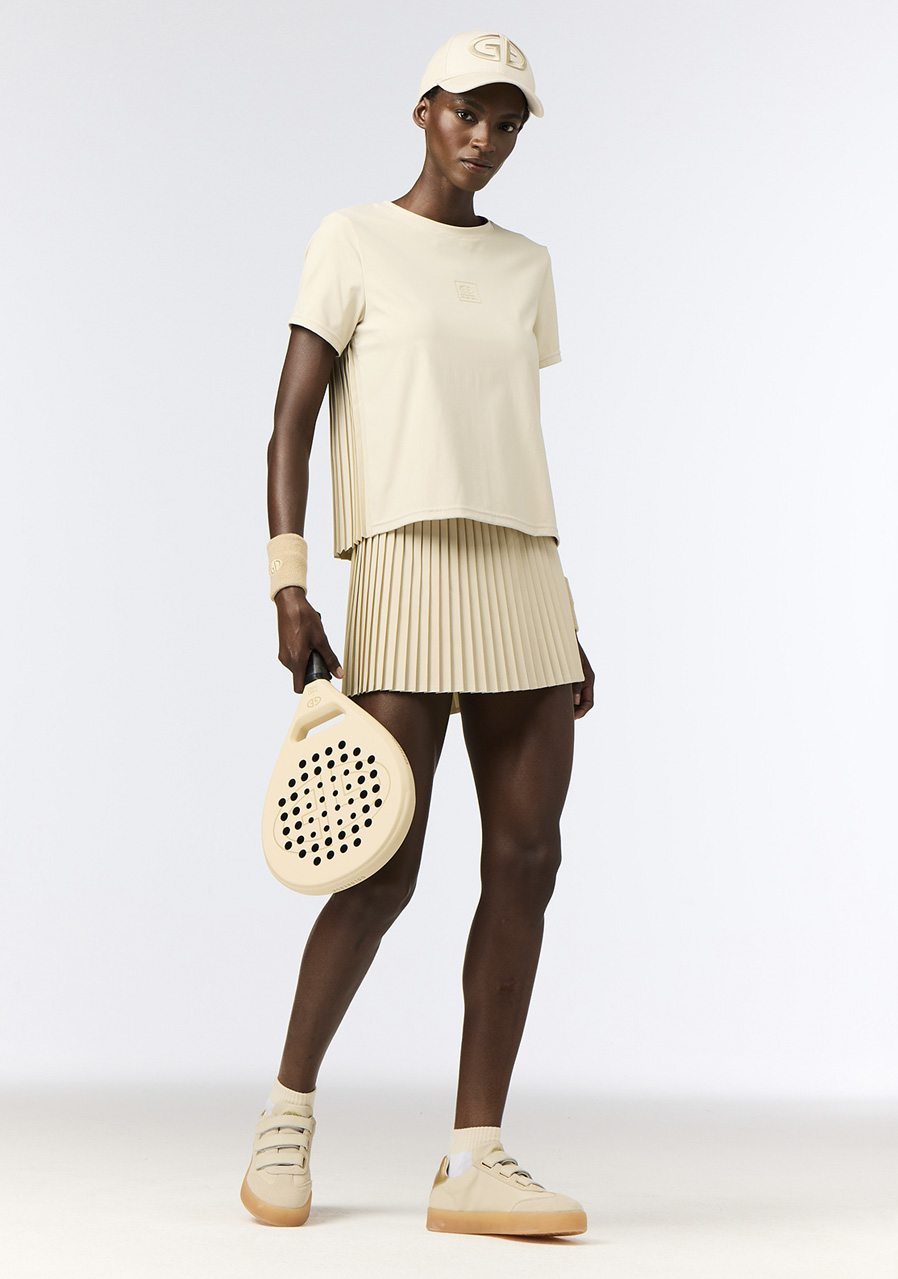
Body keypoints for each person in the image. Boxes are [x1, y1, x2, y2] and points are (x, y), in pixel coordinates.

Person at [240, 29, 595, 1238]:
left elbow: (510, 442)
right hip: (402, 562)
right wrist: (291, 586)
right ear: (423, 111)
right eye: (466, 113)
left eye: (507, 122)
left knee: (527, 859)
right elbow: (289, 425)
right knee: (379, 862)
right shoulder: (350, 239)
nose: (484, 138)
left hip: (522, 574)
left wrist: (565, 615)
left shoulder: (527, 266)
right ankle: (287, 1113)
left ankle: (473, 1159)